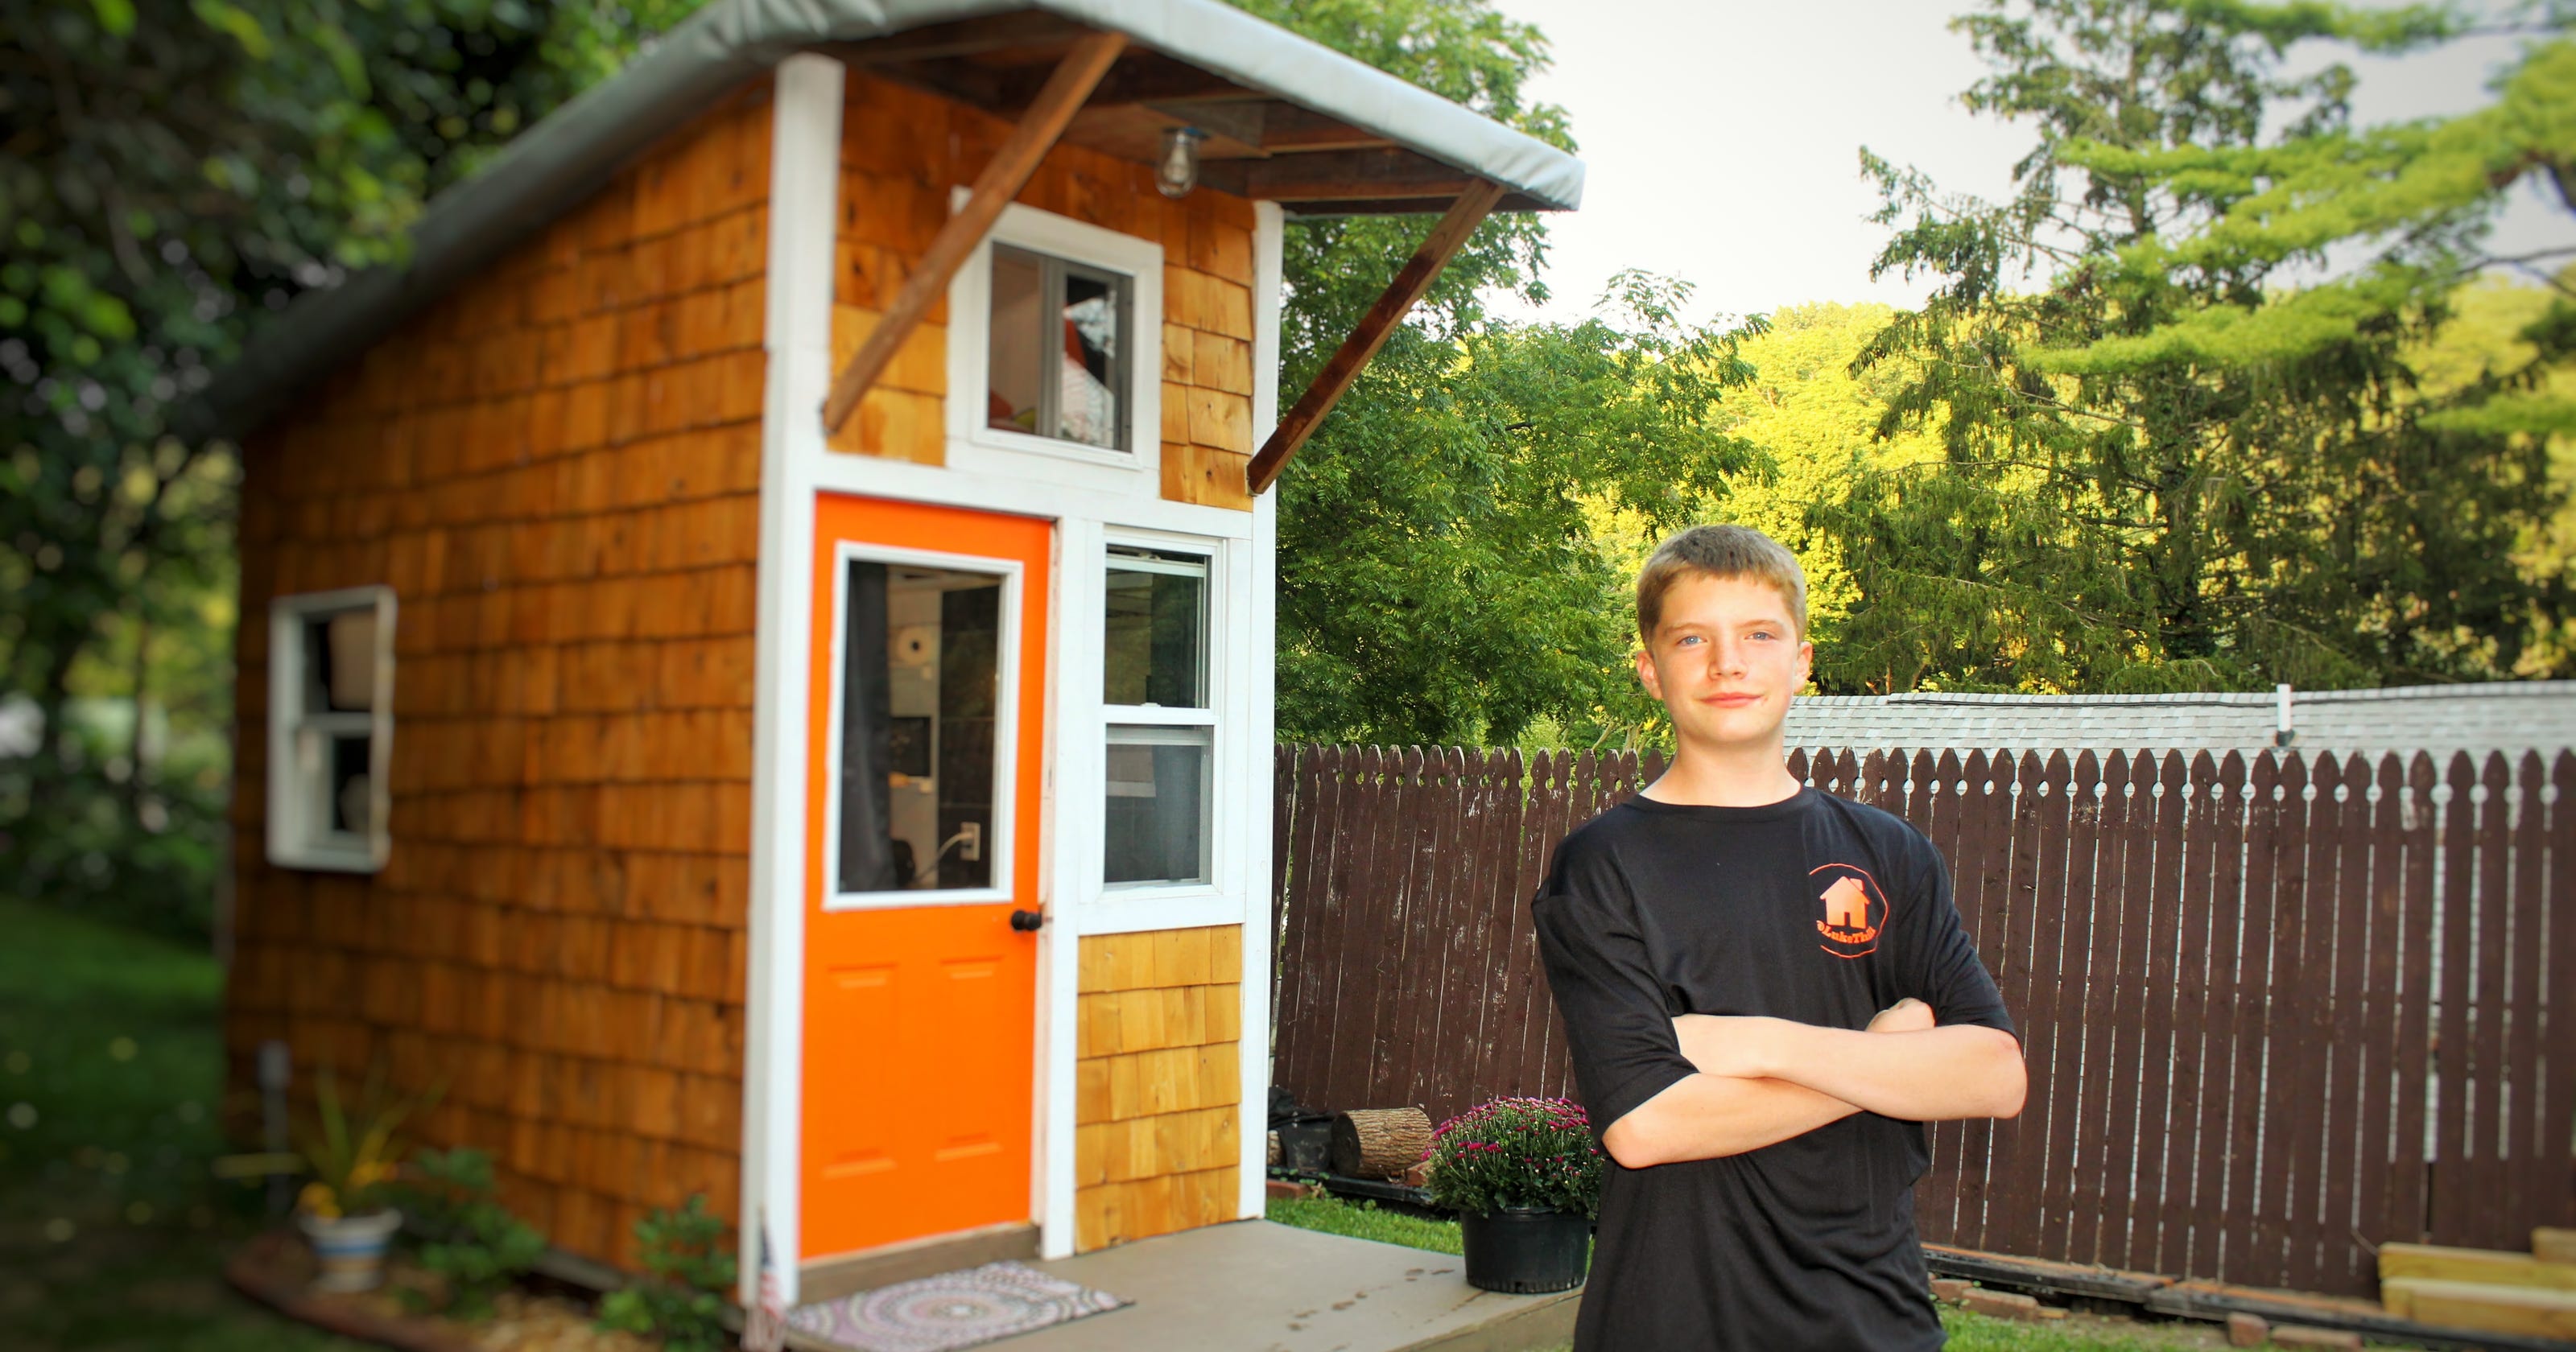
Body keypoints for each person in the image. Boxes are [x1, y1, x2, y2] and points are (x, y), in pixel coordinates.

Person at [1533, 525, 2026, 1350]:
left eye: (1758, 635)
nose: (1728, 663)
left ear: (1800, 659)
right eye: (1691, 638)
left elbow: (1992, 1075)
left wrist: (1750, 1042)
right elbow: (1646, 1126)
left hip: (1874, 1320)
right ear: (1650, 670)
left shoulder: (1886, 851)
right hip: (1674, 1319)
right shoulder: (1603, 864)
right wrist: (1881, 1060)